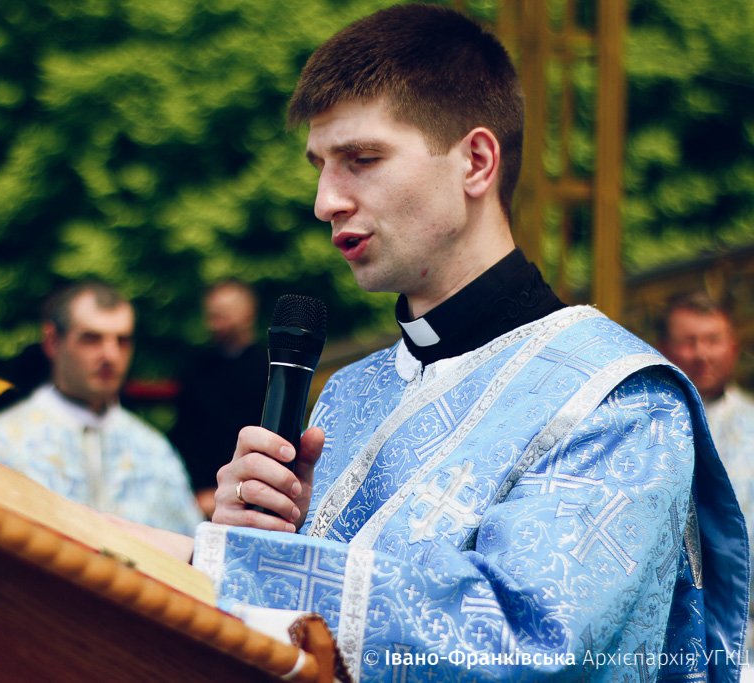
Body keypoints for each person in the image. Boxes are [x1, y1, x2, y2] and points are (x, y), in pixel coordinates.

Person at [125, 5, 747, 681]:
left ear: (476, 162)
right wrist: (257, 536)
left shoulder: (619, 400)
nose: (325, 201)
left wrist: (228, 566)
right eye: (320, 165)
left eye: (361, 159)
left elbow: (535, 645)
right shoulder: (350, 390)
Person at [0, 281, 202, 536]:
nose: (110, 355)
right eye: (91, 339)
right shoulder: (2, 444)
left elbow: (189, 546)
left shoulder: (155, 452)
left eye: (122, 341)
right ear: (52, 341)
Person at [659, 291, 754, 653]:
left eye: (713, 340)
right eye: (689, 341)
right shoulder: (645, 429)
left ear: (733, 347)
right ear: (663, 348)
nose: (702, 354)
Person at [171, 280, 267, 517]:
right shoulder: (195, 368)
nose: (213, 324)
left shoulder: (269, 370)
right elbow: (185, 435)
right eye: (211, 316)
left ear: (247, 314)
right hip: (194, 493)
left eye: (221, 315)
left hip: (252, 491)